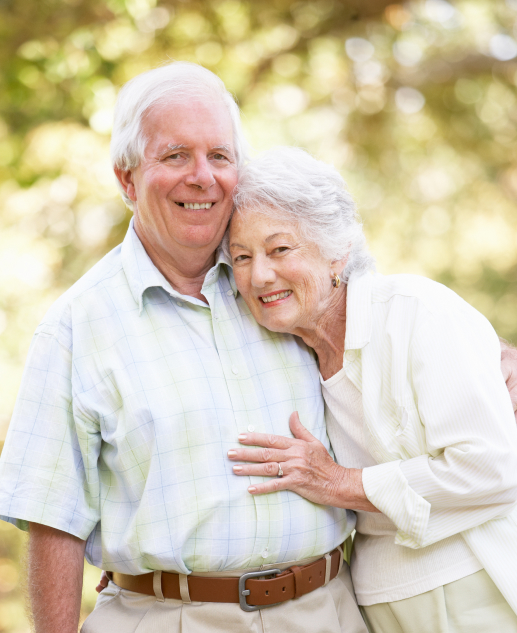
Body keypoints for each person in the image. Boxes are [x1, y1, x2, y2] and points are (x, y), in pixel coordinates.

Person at [0, 64, 367, 633]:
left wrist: (489, 351)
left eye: (220, 156)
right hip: (172, 619)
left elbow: (384, 319)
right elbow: (54, 520)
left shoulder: (281, 278)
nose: (203, 178)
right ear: (126, 179)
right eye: (175, 156)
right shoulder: (77, 327)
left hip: (327, 610)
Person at [226, 146, 517, 633]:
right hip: (372, 604)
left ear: (336, 250)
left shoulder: (415, 311)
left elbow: (491, 465)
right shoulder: (285, 351)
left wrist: (338, 481)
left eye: (280, 250)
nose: (259, 275)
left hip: (471, 587)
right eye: (241, 257)